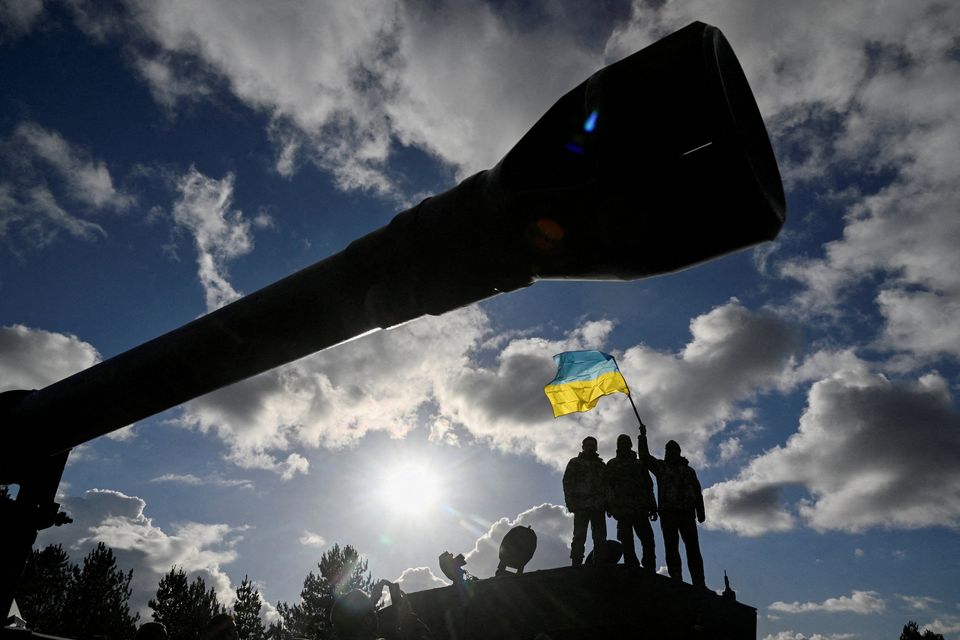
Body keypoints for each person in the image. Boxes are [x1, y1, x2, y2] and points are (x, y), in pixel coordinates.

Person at [638, 427, 706, 588]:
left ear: (679, 452)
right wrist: (642, 438)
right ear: (666, 452)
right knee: (671, 547)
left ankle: (699, 582)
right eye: (669, 450)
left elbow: (697, 491)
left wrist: (700, 511)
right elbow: (645, 458)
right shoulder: (661, 467)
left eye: (674, 450)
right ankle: (676, 578)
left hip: (687, 513)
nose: (671, 452)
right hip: (668, 513)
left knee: (693, 549)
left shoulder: (689, 471)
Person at [605, 433, 657, 572]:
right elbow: (607, 486)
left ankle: (649, 567)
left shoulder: (639, 464)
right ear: (618, 446)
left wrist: (653, 506)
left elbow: (648, 486)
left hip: (640, 509)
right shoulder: (612, 464)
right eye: (621, 443)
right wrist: (609, 506)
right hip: (622, 510)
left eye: (626, 442)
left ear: (630, 444)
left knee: (648, 541)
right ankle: (631, 565)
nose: (624, 445)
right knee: (627, 541)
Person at [562, 435, 607, 566]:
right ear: (583, 447)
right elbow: (567, 483)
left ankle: (599, 564)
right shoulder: (575, 462)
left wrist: (607, 504)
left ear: (596, 447)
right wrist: (570, 503)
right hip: (581, 506)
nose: (590, 448)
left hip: (598, 507)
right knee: (579, 537)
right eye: (588, 445)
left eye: (593, 445)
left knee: (600, 538)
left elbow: (607, 486)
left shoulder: (601, 465)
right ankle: (576, 563)